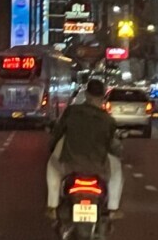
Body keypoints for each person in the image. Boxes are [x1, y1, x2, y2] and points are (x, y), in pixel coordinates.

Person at [45, 78, 124, 220]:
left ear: (86, 95)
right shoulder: (108, 120)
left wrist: (52, 148)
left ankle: (52, 206)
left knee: (52, 165)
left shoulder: (71, 112)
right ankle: (113, 209)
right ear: (103, 96)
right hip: (98, 168)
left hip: (69, 166)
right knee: (117, 168)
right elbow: (112, 146)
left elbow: (58, 133)